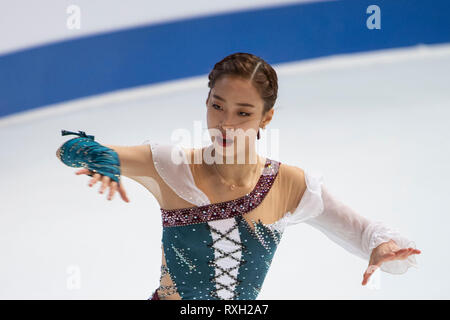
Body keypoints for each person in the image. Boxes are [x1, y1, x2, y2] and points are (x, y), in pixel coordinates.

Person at [57, 52, 421, 300]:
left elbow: (365, 233)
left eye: (243, 113)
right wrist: (97, 155)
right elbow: (67, 149)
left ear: (267, 118)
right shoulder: (170, 166)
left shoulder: (290, 186)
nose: (225, 123)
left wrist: (381, 249)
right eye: (217, 106)